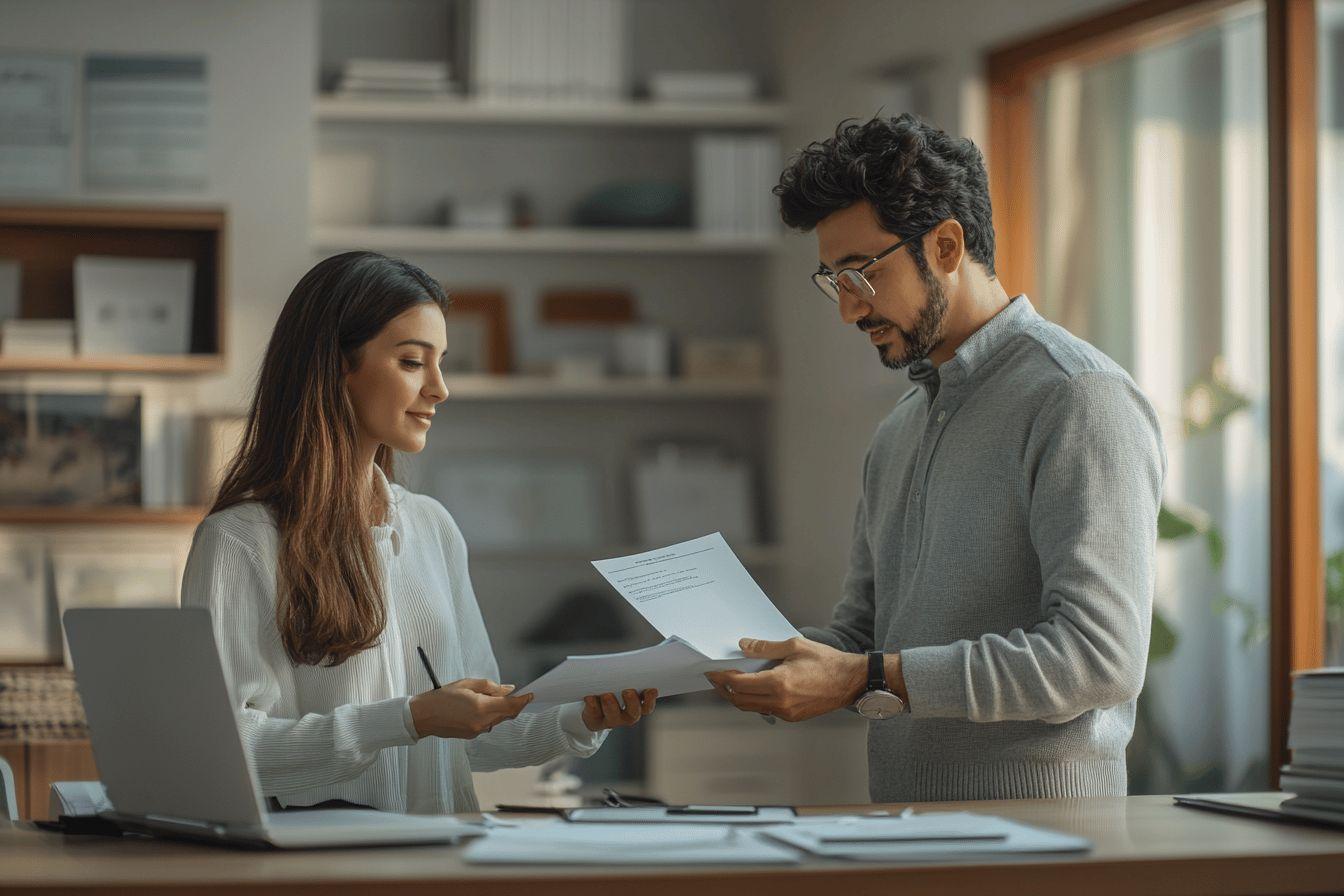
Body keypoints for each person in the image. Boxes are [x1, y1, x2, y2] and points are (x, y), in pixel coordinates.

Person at [707, 114, 1166, 802]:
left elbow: (1097, 660)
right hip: (906, 833)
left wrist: (865, 678)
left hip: (1048, 849)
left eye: (860, 274)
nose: (848, 310)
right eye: (834, 280)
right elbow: (860, 638)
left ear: (947, 244)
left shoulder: (1078, 398)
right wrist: (729, 660)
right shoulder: (900, 429)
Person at [182, 251, 655, 814]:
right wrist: (411, 718)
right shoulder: (240, 542)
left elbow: (475, 733)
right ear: (334, 367)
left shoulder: (432, 528)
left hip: (440, 862)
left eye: (441, 363)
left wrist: (581, 718)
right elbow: (229, 748)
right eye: (412, 362)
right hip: (320, 872)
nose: (440, 389)